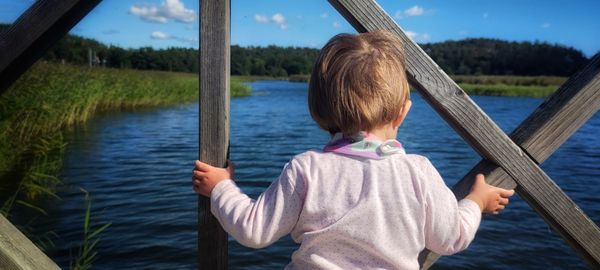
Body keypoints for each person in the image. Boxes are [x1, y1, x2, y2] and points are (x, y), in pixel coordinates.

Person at [192, 30, 514, 269]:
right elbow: (451, 237)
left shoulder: (307, 169)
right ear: (403, 111)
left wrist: (220, 185)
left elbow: (253, 229)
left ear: (320, 109)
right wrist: (475, 201)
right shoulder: (418, 172)